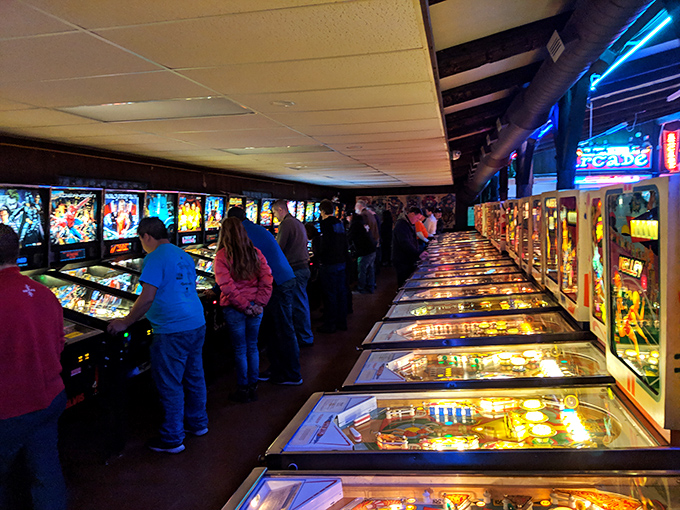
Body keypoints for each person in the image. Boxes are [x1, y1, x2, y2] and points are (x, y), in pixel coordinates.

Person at [108, 217, 207, 454]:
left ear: (146, 236)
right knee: (194, 376)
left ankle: (173, 437)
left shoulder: (154, 257)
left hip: (173, 328)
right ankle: (198, 424)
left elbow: (148, 296)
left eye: (141, 240)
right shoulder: (182, 254)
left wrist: (126, 321)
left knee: (170, 382)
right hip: (196, 321)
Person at [0, 224, 67, 510]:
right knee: (46, 473)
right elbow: (59, 343)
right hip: (50, 397)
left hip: (11, 407)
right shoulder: (44, 292)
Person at [227, 207, 302, 385]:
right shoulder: (257, 229)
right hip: (282, 279)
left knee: (282, 329)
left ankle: (292, 373)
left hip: (277, 283)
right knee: (274, 329)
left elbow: (237, 264)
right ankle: (278, 368)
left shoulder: (244, 234)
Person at [214, 218, 273, 403]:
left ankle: (243, 388)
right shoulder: (255, 253)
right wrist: (258, 304)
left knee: (240, 349)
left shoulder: (222, 256)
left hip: (235, 308)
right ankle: (253, 386)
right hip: (255, 307)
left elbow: (227, 286)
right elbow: (267, 279)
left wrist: (245, 306)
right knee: (252, 346)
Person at [271, 199, 314, 347]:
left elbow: (278, 248)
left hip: (296, 269)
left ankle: (304, 337)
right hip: (303, 267)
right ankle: (304, 336)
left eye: (274, 212)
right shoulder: (297, 222)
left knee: (298, 304)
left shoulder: (286, 224)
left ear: (281, 210)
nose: (274, 216)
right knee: (301, 302)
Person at [317, 199, 348, 333]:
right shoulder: (339, 223)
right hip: (341, 262)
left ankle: (330, 324)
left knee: (329, 294)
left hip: (329, 263)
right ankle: (342, 321)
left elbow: (323, 245)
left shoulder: (324, 224)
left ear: (322, 211)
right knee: (340, 293)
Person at [392, 206, 424, 287]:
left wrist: (418, 253)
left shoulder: (408, 223)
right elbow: (405, 243)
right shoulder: (401, 224)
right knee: (403, 283)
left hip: (407, 258)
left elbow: (413, 241)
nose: (417, 221)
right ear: (412, 214)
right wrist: (418, 253)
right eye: (417, 218)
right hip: (402, 259)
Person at [347, 211, 376, 294]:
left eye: (347, 216)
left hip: (364, 251)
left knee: (362, 270)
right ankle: (371, 286)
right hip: (372, 249)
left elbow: (349, 237)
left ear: (351, 216)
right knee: (370, 269)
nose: (346, 219)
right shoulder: (362, 222)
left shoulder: (355, 225)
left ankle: (361, 288)